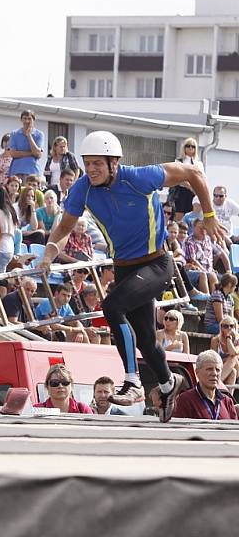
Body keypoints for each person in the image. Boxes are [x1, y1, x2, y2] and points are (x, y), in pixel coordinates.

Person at [39, 130, 227, 422]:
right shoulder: (82, 189)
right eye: (87, 164)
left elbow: (193, 173)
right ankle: (168, 383)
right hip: (125, 267)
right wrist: (49, 253)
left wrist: (210, 215)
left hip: (156, 263)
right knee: (146, 340)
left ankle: (132, 381)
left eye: (98, 163)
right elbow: (64, 227)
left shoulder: (138, 177)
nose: (91, 170)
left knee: (112, 307)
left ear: (114, 162)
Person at [172, 350, 238, 420]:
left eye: (217, 370)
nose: (214, 373)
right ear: (197, 372)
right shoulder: (185, 400)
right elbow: (178, 429)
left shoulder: (227, 402)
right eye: (209, 369)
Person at [183, 218, 221, 295]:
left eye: (205, 228)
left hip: (209, 270)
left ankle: (218, 300)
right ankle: (211, 300)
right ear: (194, 227)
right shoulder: (190, 241)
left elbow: (219, 253)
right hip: (195, 270)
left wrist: (228, 270)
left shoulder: (208, 239)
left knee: (227, 278)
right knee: (210, 275)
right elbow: (192, 260)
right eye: (200, 228)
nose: (203, 230)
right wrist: (205, 270)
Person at [169, 137, 203, 220]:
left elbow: (202, 178)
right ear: (184, 148)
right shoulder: (179, 161)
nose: (191, 148)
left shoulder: (199, 164)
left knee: (192, 217)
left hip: (195, 192)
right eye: (188, 146)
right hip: (181, 192)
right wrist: (190, 187)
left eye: (193, 146)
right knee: (179, 217)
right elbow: (178, 178)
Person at [7, 109, 44, 180]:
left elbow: (38, 154)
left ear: (34, 120)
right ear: (21, 120)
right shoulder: (14, 133)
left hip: (33, 171)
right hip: (16, 171)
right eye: (25, 118)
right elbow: (13, 153)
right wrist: (31, 153)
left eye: (29, 119)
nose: (27, 121)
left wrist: (29, 136)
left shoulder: (39, 134)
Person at [211, 317, 239, 386]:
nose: (229, 328)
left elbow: (233, 353)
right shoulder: (215, 340)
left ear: (235, 327)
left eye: (231, 326)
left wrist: (228, 338)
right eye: (226, 326)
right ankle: (228, 395)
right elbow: (214, 358)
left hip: (236, 366)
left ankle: (218, 382)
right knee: (233, 372)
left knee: (233, 358)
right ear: (221, 328)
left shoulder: (238, 340)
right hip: (220, 367)